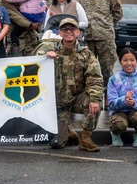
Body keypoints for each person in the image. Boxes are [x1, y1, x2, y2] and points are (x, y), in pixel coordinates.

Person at [36, 16, 105, 152]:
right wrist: (44, 56)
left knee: (95, 103)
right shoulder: (50, 49)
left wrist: (95, 98)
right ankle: (66, 130)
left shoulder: (86, 54)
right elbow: (34, 61)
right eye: (65, 29)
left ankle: (85, 139)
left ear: (78, 32)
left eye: (72, 29)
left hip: (77, 98)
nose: (68, 32)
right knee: (56, 144)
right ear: (60, 33)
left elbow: (95, 78)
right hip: (57, 103)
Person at [78, 0, 123, 84]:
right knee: (87, 69)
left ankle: (108, 97)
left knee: (107, 70)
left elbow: (118, 13)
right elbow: (79, 13)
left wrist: (106, 25)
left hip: (105, 38)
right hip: (87, 38)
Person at [106, 47, 137, 148]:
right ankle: (115, 134)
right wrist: (124, 100)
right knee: (119, 123)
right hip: (119, 113)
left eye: (132, 60)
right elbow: (111, 104)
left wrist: (134, 103)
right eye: (125, 60)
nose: (129, 63)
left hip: (136, 112)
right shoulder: (113, 79)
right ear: (120, 61)